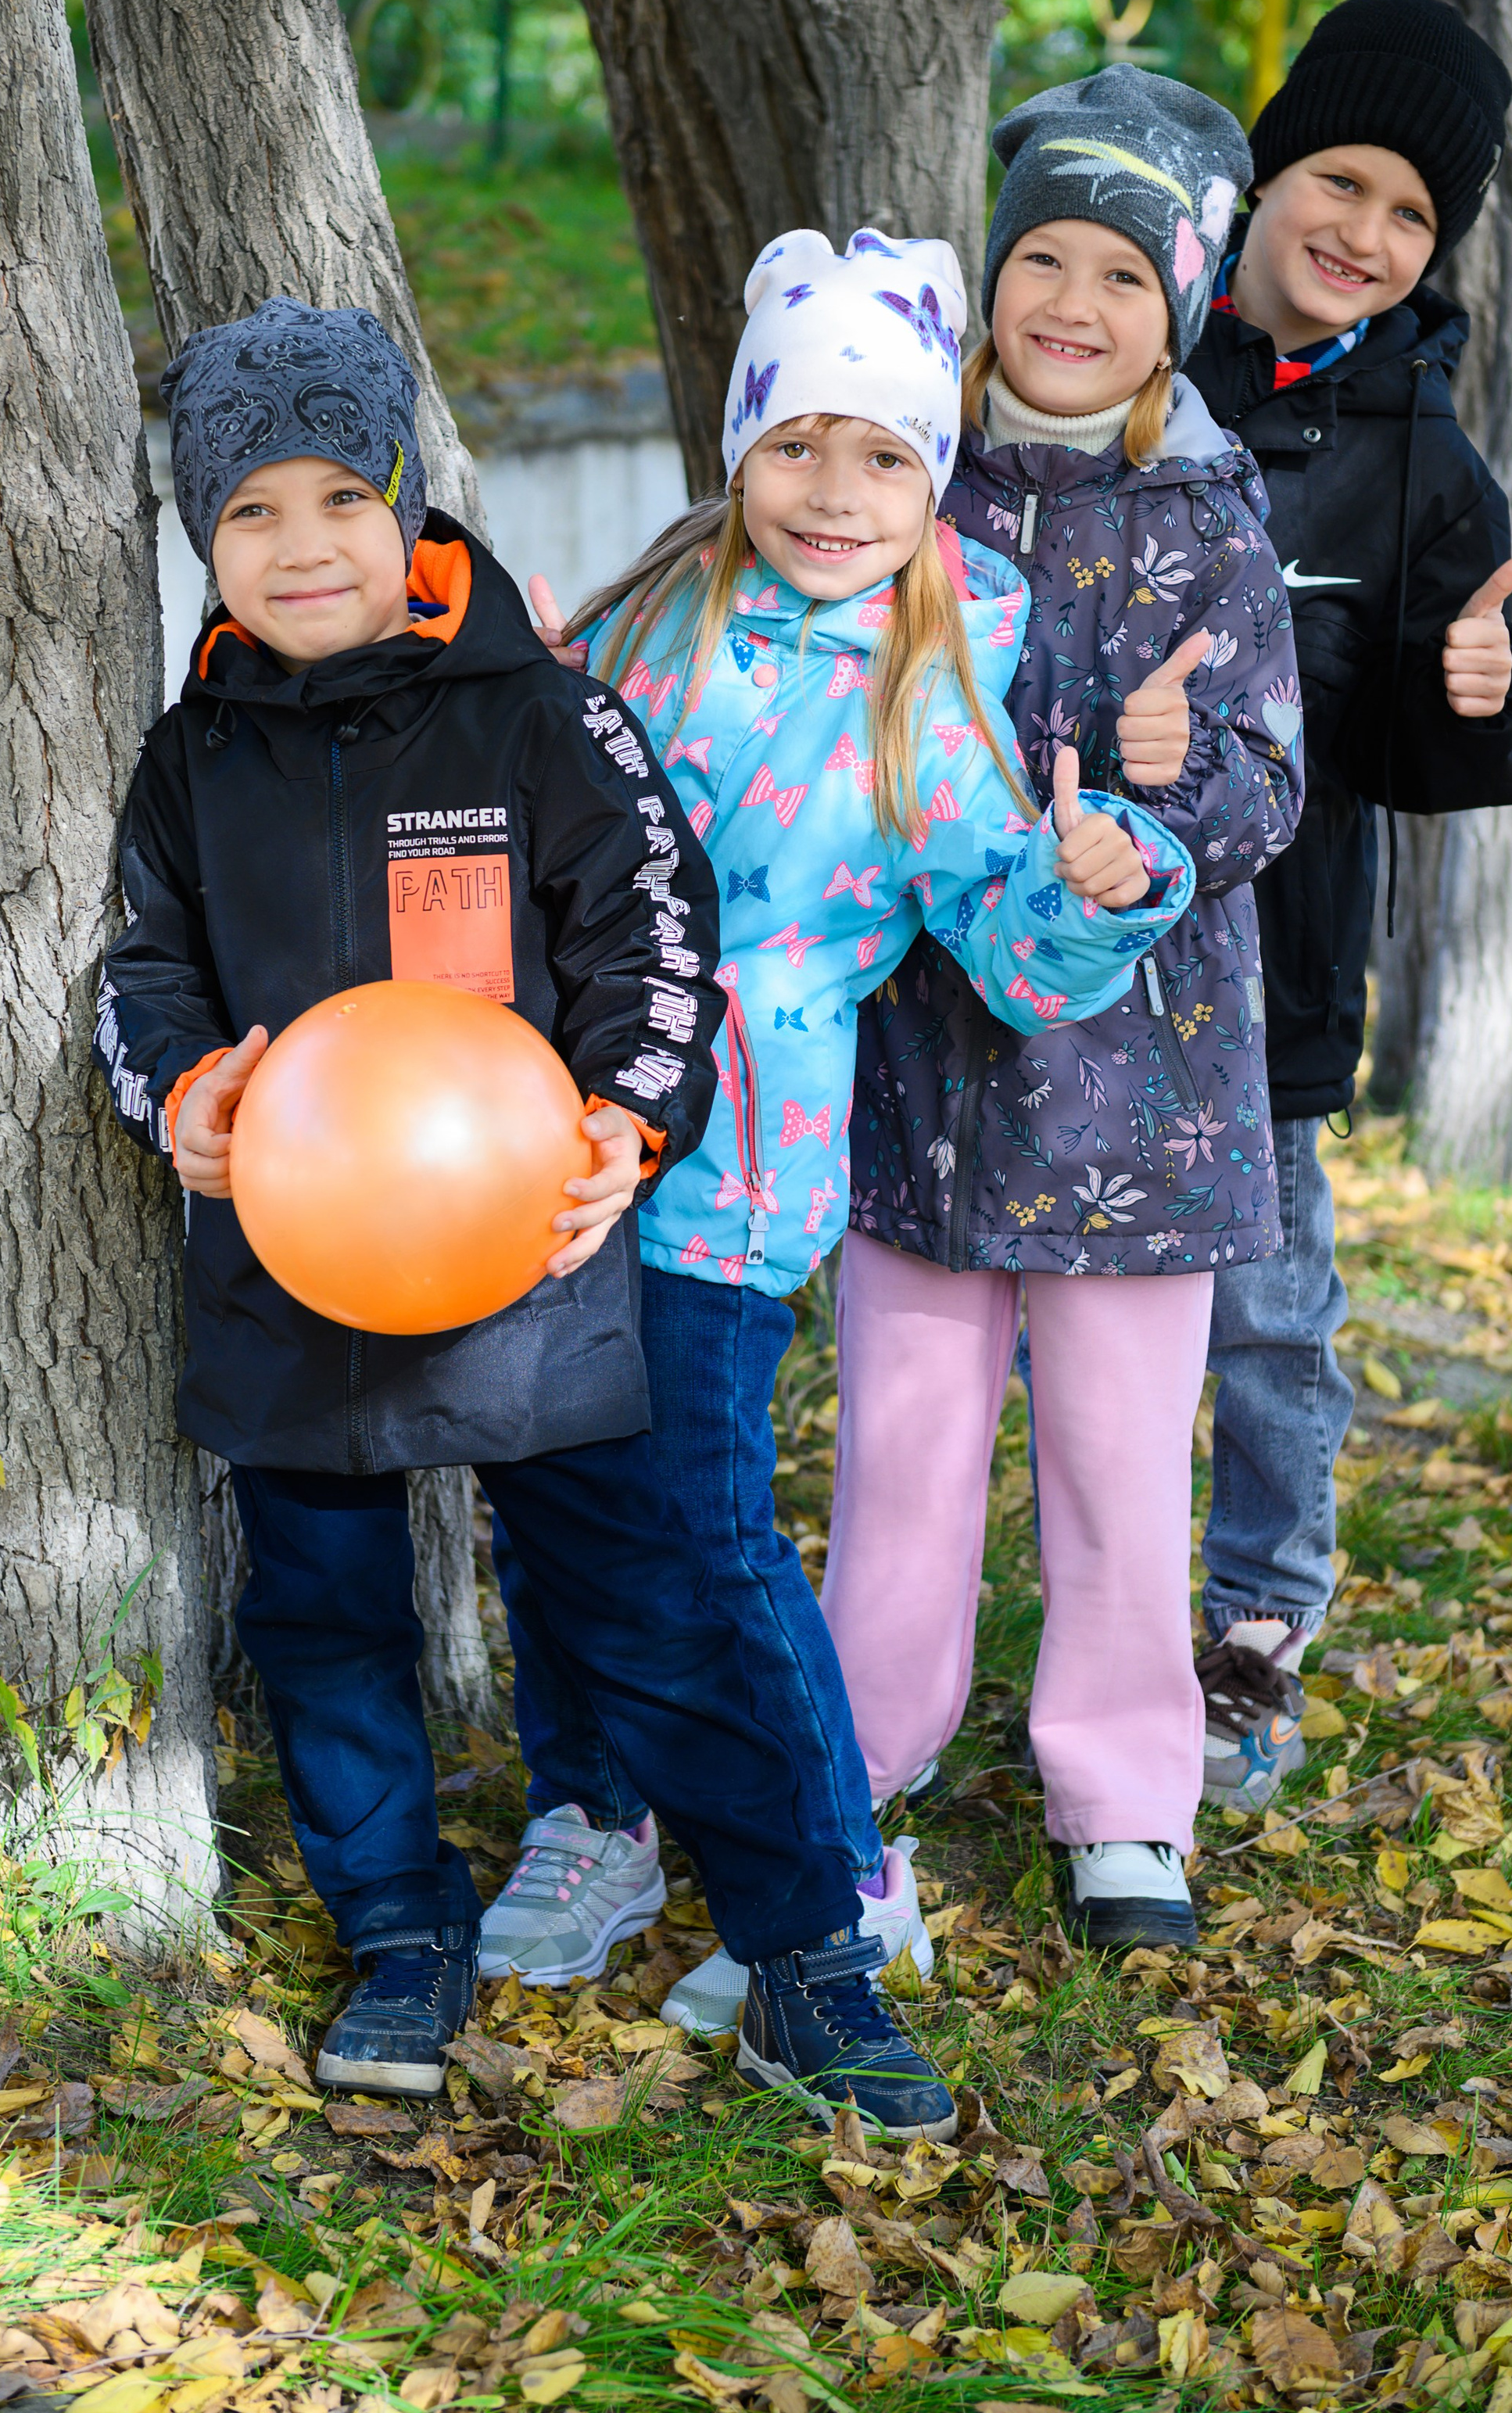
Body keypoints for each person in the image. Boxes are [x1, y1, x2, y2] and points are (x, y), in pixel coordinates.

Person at [94, 293, 966, 2139]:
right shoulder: (191, 761)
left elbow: (660, 953)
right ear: (203, 539)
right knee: (324, 1621)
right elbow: (142, 974)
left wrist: (630, 1130)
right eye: (251, 511)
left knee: (653, 1610)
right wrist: (177, 1089)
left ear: (408, 505)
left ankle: (808, 1951)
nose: (303, 543)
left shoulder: (545, 713)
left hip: (537, 1267)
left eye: (341, 496)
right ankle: (400, 1932)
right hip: (286, 1268)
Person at [496, 228, 1197, 2029]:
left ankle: (837, 1874)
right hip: (536, 1145)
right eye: (796, 441)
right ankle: (592, 1809)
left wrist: (1098, 883)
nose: (834, 489)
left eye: (883, 451)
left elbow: (1015, 960)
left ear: (932, 468)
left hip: (730, 1164)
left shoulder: (953, 654)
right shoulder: (654, 606)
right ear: (737, 445)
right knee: (554, 1503)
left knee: (708, 1525)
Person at [839, 67, 1302, 1952]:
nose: (1071, 303)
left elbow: (1266, 774)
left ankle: (1123, 1799)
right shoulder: (891, 488)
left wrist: (1156, 818)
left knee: (1119, 1463)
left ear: (1171, 314)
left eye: (1121, 275)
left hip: (1147, 1093)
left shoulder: (1203, 507)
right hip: (921, 1074)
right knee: (903, 1447)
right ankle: (850, 1768)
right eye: (1041, 255)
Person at [1184, 0, 1512, 1808]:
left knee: (1264, 1322)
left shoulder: (1423, 454)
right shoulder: (1126, 375)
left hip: (1274, 980)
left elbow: (1421, 742)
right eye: (1338, 178)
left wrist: (1479, 695)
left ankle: (1251, 1631)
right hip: (1050, 954)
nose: (1365, 235)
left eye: (1411, 216)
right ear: (1262, 171)